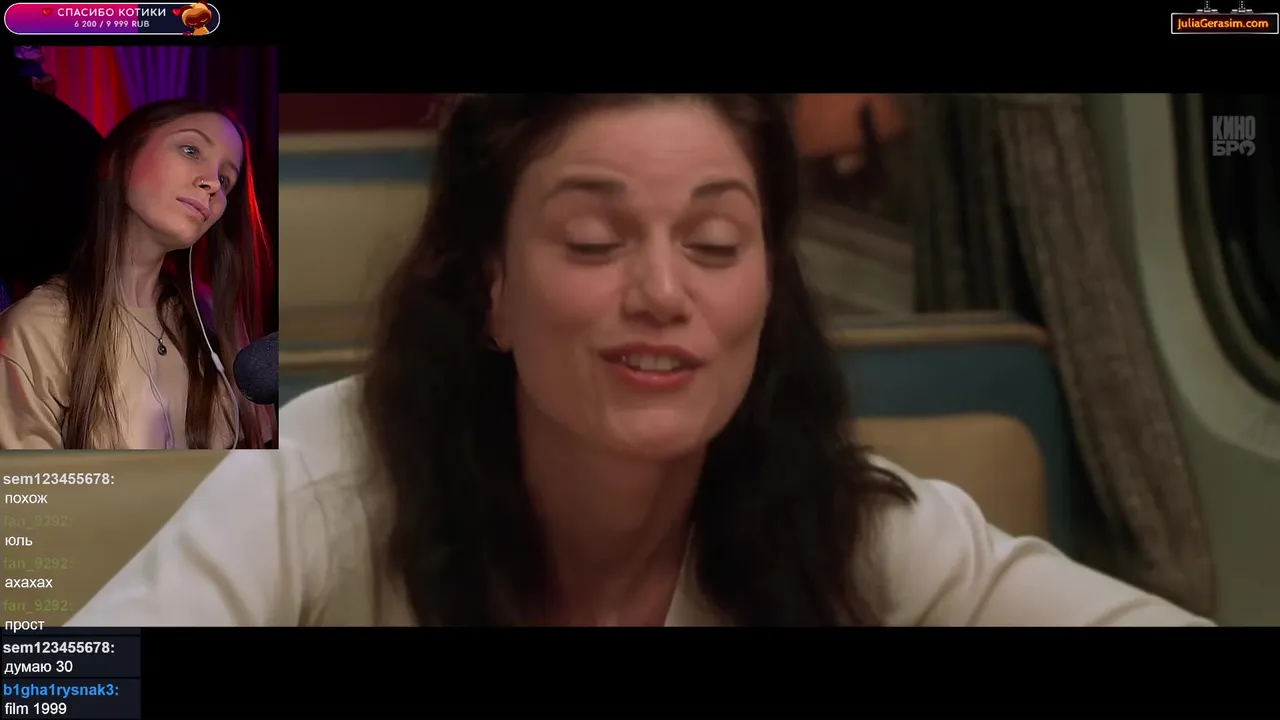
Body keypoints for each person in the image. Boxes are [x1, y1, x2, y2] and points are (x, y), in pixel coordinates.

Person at [68, 94, 1210, 625]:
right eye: (592, 240)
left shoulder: (850, 529)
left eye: (714, 244)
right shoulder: (320, 485)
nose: (664, 293)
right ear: (492, 289)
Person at [0, 99, 275, 450]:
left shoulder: (215, 324)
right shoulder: (35, 329)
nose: (212, 184)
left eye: (225, 179)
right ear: (119, 160)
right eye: (191, 150)